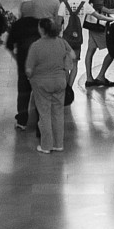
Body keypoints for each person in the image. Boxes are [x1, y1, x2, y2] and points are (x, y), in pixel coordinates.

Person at [27, 17, 76, 154]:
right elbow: (72, 55)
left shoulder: (36, 46)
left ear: (41, 29)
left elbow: (29, 69)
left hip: (42, 83)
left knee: (44, 114)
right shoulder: (61, 42)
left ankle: (46, 145)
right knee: (58, 113)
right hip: (60, 81)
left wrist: (30, 77)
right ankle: (58, 144)